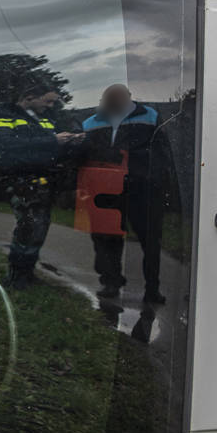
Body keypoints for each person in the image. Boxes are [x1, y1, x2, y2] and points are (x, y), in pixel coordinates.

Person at [0, 77, 83, 288]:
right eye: (47, 102)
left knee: (37, 226)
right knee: (30, 226)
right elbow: (0, 145)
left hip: (40, 180)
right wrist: (52, 140)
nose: (50, 106)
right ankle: (17, 277)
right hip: (15, 178)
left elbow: (44, 148)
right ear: (29, 98)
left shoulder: (42, 119)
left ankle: (26, 272)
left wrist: (70, 142)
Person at [79, 83, 165, 303]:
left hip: (142, 190)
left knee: (150, 240)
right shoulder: (91, 123)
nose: (113, 103)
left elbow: (162, 153)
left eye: (118, 98)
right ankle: (110, 282)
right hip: (105, 191)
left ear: (128, 97)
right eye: (109, 99)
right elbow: (83, 155)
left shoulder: (150, 116)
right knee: (106, 239)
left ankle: (152, 288)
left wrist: (158, 182)